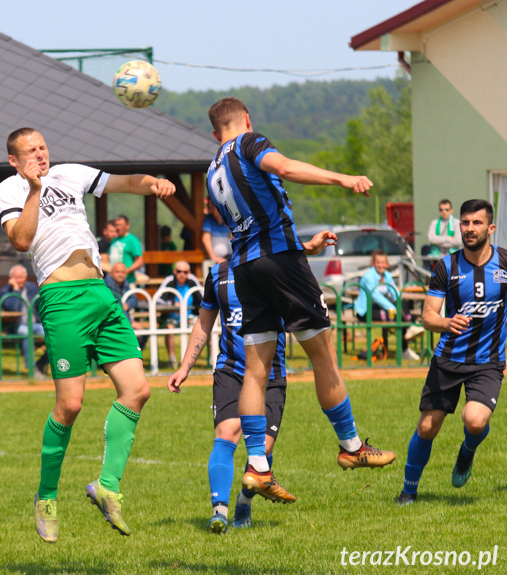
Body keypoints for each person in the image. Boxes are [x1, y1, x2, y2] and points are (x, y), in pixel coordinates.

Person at [205, 97, 395, 503]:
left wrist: (301, 246)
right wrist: (344, 179)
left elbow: (252, 226)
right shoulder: (249, 143)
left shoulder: (212, 170)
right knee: (322, 355)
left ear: (214, 131)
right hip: (279, 263)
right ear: (246, 120)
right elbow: (286, 168)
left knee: (256, 369)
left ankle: (258, 466)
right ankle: (352, 447)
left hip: (246, 270)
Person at [0, 127, 175, 543]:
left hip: (100, 292)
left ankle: (107, 486)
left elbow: (125, 182)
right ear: (14, 160)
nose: (41, 155)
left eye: (43, 147)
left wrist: (152, 184)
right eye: (31, 151)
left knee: (138, 390)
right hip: (62, 298)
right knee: (71, 404)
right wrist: (36, 190)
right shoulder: (9, 190)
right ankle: (46, 497)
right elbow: (21, 240)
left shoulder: (71, 173)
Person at [166, 232, 334, 533]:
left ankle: (244, 502)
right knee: (227, 432)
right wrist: (184, 367)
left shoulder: (277, 270)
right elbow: (205, 322)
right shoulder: (217, 274)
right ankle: (219, 511)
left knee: (262, 450)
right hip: (231, 370)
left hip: (270, 374)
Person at [396, 199, 505, 505]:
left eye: (477, 223)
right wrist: (446, 321)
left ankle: (467, 452)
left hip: (488, 362)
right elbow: (428, 317)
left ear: (491, 228)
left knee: (475, 421)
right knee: (428, 426)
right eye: (465, 223)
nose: (470, 229)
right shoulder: (446, 266)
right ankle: (409, 490)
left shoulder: (505, 264)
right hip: (448, 359)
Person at [353, 250, 425, 362]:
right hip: (366, 311)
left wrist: (398, 304)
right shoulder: (368, 277)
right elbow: (376, 296)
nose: (381, 265)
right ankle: (408, 336)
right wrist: (392, 308)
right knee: (394, 315)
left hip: (381, 308)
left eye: (383, 262)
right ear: (373, 263)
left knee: (401, 303)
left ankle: (409, 329)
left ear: (387, 264)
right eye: (378, 262)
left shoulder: (387, 275)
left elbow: (395, 293)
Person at [0, 264, 49, 379]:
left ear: (26, 277)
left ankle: (40, 363)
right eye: (16, 277)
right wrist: (16, 290)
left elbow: (39, 305)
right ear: (10, 278)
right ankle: (31, 368)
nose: (18, 280)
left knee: (54, 335)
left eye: (21, 277)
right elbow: (13, 308)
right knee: (27, 333)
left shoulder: (31, 287)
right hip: (16, 325)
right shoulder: (6, 290)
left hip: (35, 323)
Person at [156, 261, 202, 368]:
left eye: (185, 272)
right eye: (179, 271)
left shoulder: (192, 280)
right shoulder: (169, 280)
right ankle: (172, 359)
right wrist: (173, 304)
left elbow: (202, 297)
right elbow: (158, 299)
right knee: (169, 328)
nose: (182, 274)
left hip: (190, 317)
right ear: (174, 271)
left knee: (208, 328)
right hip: (172, 318)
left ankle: (212, 359)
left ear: (189, 272)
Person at [109, 215, 144, 284]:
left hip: (127, 282)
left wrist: (125, 271)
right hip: (113, 282)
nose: (118, 227)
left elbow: (139, 261)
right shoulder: (114, 240)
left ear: (127, 225)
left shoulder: (132, 240)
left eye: (121, 225)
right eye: (116, 225)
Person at [202, 199, 232, 263]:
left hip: (229, 257)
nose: (220, 211)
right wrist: (214, 258)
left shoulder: (228, 220)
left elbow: (233, 236)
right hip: (215, 260)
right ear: (213, 209)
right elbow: (205, 239)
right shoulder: (209, 219)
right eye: (218, 208)